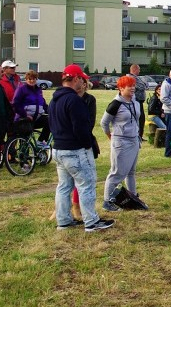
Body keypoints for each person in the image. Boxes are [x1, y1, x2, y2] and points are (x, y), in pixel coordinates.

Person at [49, 64, 114, 232]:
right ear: (76, 79)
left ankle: (63, 221)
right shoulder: (74, 100)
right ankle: (91, 222)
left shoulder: (54, 99)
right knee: (86, 184)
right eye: (81, 79)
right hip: (74, 150)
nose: (83, 83)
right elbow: (81, 128)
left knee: (64, 186)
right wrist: (87, 145)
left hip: (58, 148)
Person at [100, 75, 148, 212]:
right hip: (121, 141)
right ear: (121, 88)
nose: (133, 88)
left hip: (134, 140)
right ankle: (107, 201)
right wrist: (110, 135)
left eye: (134, 86)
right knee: (117, 173)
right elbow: (104, 122)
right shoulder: (115, 104)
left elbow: (138, 119)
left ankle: (133, 197)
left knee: (131, 172)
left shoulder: (135, 102)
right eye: (129, 86)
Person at [70, 74, 99, 220]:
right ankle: (62, 207)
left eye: (84, 82)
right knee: (67, 180)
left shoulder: (89, 99)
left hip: (83, 141)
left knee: (81, 178)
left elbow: (89, 122)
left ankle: (76, 206)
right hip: (68, 143)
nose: (83, 85)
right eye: (80, 81)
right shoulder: (69, 98)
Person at [12, 70, 50, 145]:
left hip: (36, 118)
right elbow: (15, 103)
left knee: (50, 120)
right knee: (25, 140)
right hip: (24, 119)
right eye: (30, 79)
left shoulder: (38, 90)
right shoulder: (21, 89)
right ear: (26, 79)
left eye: (34, 79)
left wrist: (51, 112)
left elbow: (43, 104)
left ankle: (41, 141)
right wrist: (25, 115)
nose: (32, 81)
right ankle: (23, 153)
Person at [129, 63, 148, 141]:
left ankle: (140, 135)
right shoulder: (131, 78)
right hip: (135, 101)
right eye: (139, 69)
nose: (139, 71)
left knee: (141, 119)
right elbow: (142, 86)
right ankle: (137, 135)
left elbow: (145, 85)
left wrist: (144, 84)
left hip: (139, 101)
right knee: (139, 119)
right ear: (134, 69)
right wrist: (144, 84)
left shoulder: (137, 78)